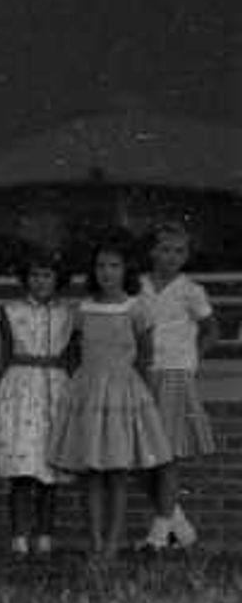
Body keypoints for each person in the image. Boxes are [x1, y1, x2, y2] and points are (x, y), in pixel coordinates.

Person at [54, 239, 168, 558]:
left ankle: (112, 543)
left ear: (125, 270)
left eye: (114, 265)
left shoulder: (136, 308)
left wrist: (142, 396)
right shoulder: (82, 310)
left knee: (117, 471)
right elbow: (73, 353)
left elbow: (146, 355)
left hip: (123, 394)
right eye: (101, 265)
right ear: (93, 271)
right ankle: (93, 540)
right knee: (91, 471)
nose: (107, 272)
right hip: (89, 394)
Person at [0, 241, 73, 556]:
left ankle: (45, 536)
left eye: (47, 275)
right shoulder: (10, 311)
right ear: (26, 278)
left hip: (55, 388)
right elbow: (3, 355)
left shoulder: (68, 313)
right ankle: (19, 538)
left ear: (57, 278)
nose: (40, 281)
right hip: (21, 387)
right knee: (22, 469)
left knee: (50, 471)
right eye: (35, 275)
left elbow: (73, 356)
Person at [135, 222, 216, 549]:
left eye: (179, 251)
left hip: (174, 374)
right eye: (165, 249)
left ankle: (158, 535)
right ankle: (177, 523)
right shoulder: (136, 286)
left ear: (186, 256)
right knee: (141, 454)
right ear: (153, 251)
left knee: (167, 454)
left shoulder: (191, 290)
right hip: (139, 374)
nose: (171, 256)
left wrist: (192, 360)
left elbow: (212, 330)